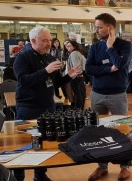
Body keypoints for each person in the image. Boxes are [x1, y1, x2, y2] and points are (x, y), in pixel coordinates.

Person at [13, 25, 82, 181]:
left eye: (50, 40)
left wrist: (69, 76)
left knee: (44, 142)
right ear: (33, 41)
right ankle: (18, 177)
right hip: (28, 107)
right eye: (44, 40)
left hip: (47, 106)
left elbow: (55, 82)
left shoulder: (49, 58)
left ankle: (40, 175)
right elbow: (23, 80)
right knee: (24, 144)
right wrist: (46, 71)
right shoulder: (22, 57)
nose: (49, 43)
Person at [85, 13, 132, 181]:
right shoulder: (95, 47)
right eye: (96, 26)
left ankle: (124, 166)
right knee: (97, 132)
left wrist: (110, 47)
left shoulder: (125, 45)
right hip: (97, 94)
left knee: (122, 130)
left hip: (117, 95)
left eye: (99, 27)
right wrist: (107, 69)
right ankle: (101, 166)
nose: (96, 30)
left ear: (110, 28)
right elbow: (89, 68)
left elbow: (120, 64)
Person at [65, 40, 86, 109]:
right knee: (81, 94)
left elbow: (76, 67)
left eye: (69, 46)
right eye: (66, 46)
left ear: (74, 46)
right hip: (80, 76)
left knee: (77, 94)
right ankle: (80, 109)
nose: (67, 48)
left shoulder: (74, 53)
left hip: (76, 77)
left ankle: (78, 110)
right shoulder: (79, 52)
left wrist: (76, 73)